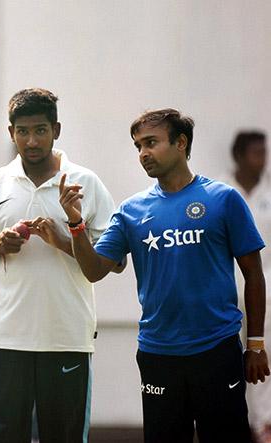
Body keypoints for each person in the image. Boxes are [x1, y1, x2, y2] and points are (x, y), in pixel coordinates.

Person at [58, 109, 269, 443]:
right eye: (138, 145)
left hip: (217, 350)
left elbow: (254, 274)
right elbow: (94, 270)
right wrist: (75, 224)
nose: (143, 153)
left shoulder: (223, 199)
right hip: (159, 355)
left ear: (181, 143)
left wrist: (255, 344)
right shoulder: (130, 211)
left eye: (151, 143)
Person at [0, 88, 119, 442]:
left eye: (40, 130)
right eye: (22, 131)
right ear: (11, 132)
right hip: (5, 339)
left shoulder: (85, 183)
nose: (31, 141)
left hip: (66, 337)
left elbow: (112, 262)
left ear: (56, 130)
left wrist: (66, 237)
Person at [222, 131, 271, 442]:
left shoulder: (269, 191)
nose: (262, 159)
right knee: (228, 356)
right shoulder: (220, 190)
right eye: (256, 153)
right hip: (226, 287)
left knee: (261, 351)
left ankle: (263, 423)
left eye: (264, 152)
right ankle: (235, 421)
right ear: (239, 155)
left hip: (264, 285)